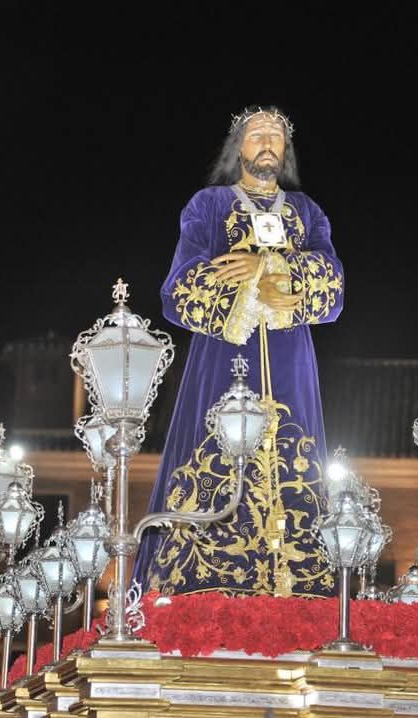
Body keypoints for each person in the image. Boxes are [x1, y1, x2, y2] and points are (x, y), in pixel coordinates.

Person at [133, 106, 343, 597]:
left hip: (291, 362)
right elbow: (180, 289)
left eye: (276, 135)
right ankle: (202, 578)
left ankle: (298, 578)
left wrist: (272, 269)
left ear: (286, 150)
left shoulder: (306, 212)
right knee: (214, 457)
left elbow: (333, 285)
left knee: (297, 462)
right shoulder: (208, 206)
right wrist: (248, 286)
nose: (267, 141)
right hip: (223, 360)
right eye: (256, 134)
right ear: (238, 147)